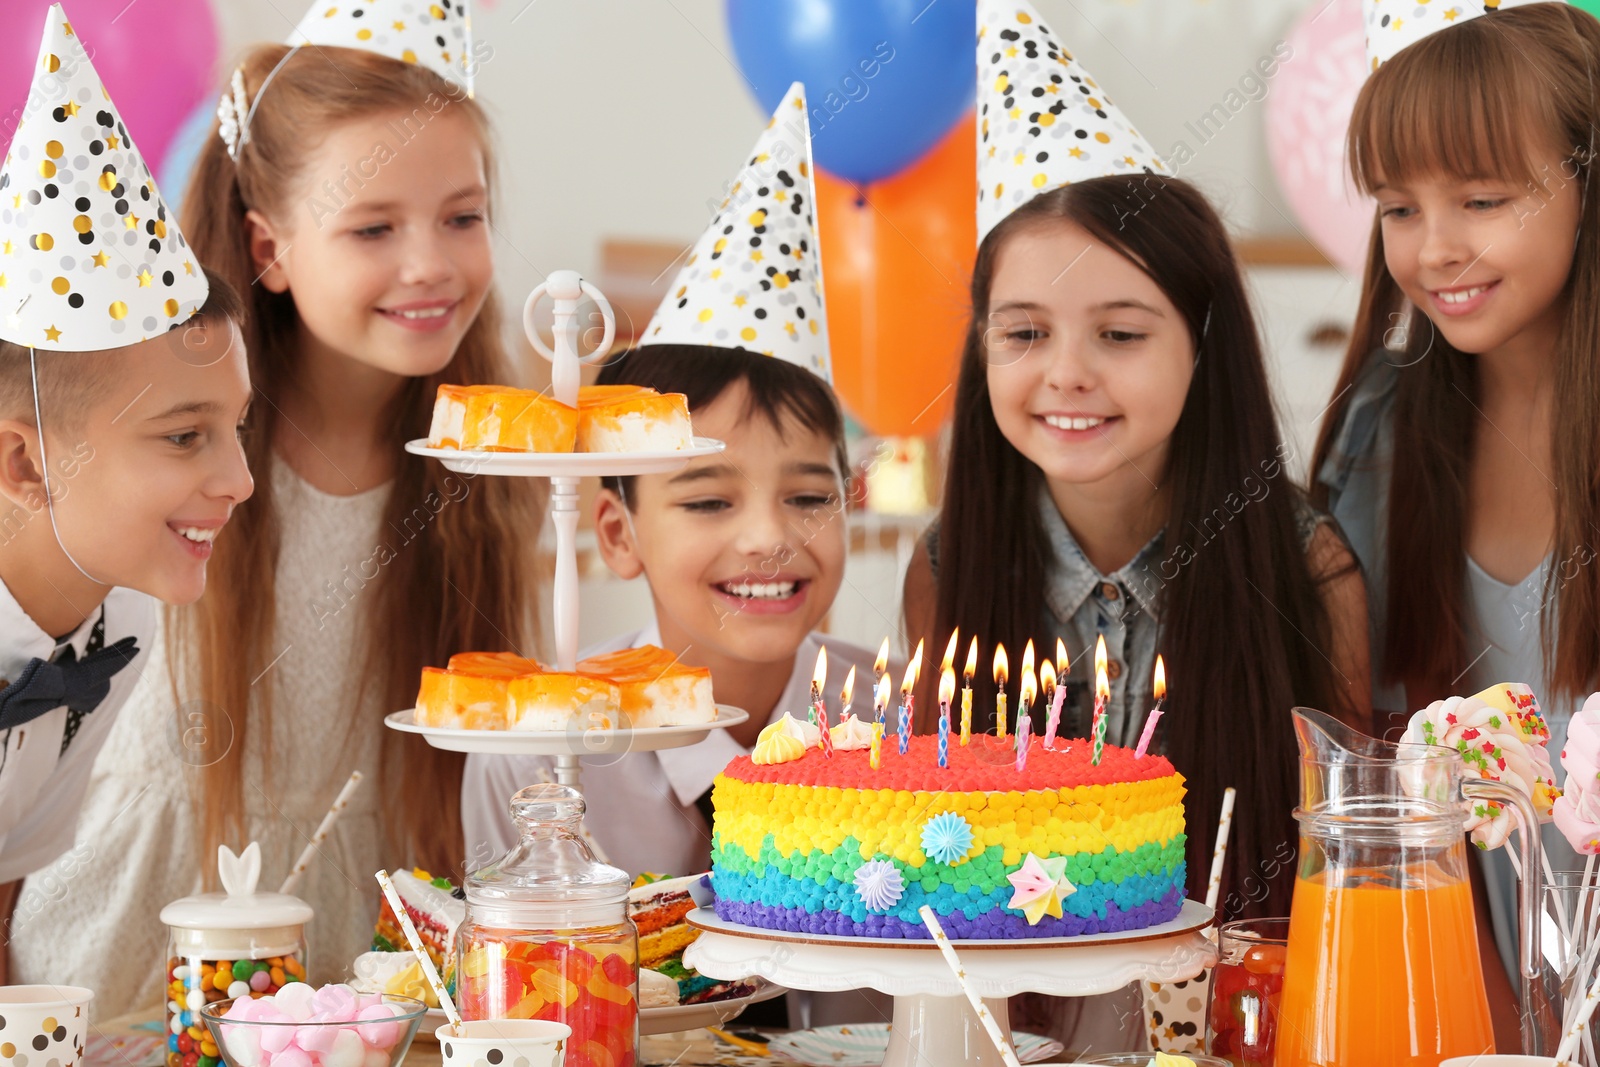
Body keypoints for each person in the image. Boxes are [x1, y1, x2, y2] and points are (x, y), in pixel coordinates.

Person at [11, 0, 541, 1011]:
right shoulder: (173, 459)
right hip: (119, 960)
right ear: (269, 249)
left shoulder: (486, 478)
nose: (430, 262)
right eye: (373, 225)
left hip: (367, 986)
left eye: (462, 216)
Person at [902, 0, 1369, 1049]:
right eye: (1023, 332)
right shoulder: (947, 569)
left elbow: (1336, 880)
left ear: (1202, 348)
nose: (1066, 371)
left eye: (1119, 332)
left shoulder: (1305, 570)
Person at [464, 84, 890, 1029]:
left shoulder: (901, 729)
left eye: (810, 496)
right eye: (708, 498)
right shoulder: (536, 761)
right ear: (618, 534)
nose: (769, 535)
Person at [1310, 0, 1600, 1045]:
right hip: (1445, 992)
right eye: (1396, 206)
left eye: (1481, 197)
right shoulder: (1379, 435)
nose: (1433, 248)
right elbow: (1371, 761)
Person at [0, 5, 253, 978]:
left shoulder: (122, 622)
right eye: (185, 435)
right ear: (23, 464)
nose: (235, 479)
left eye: (238, 427)